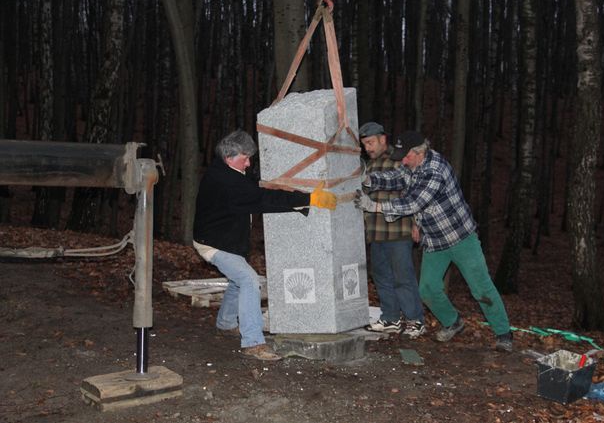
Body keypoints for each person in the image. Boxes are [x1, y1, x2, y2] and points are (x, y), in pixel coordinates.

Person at [354, 130, 513, 352]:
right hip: (435, 241)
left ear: (419, 152)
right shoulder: (412, 165)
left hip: (461, 238)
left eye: (406, 156)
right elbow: (396, 178)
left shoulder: (436, 170)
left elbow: (413, 202)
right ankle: (453, 322)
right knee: (427, 289)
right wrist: (368, 178)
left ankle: (503, 333)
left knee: (481, 288)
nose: (403, 161)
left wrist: (375, 206)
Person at [193, 129, 337, 361]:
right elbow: (263, 199)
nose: (249, 163)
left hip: (226, 239)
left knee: (237, 281)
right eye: (245, 158)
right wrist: (308, 198)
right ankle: (253, 343)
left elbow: (256, 188)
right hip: (214, 243)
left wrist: (284, 186)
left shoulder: (227, 171)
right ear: (230, 157)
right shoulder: (226, 180)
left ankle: (226, 323)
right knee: (249, 280)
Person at [358, 122, 425, 339]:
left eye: (370, 142)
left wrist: (417, 223)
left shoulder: (399, 159)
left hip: (398, 230)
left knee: (403, 277)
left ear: (382, 139)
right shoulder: (368, 165)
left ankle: (415, 320)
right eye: (364, 144)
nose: (367, 147)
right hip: (376, 232)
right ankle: (391, 318)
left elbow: (412, 193)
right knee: (382, 277)